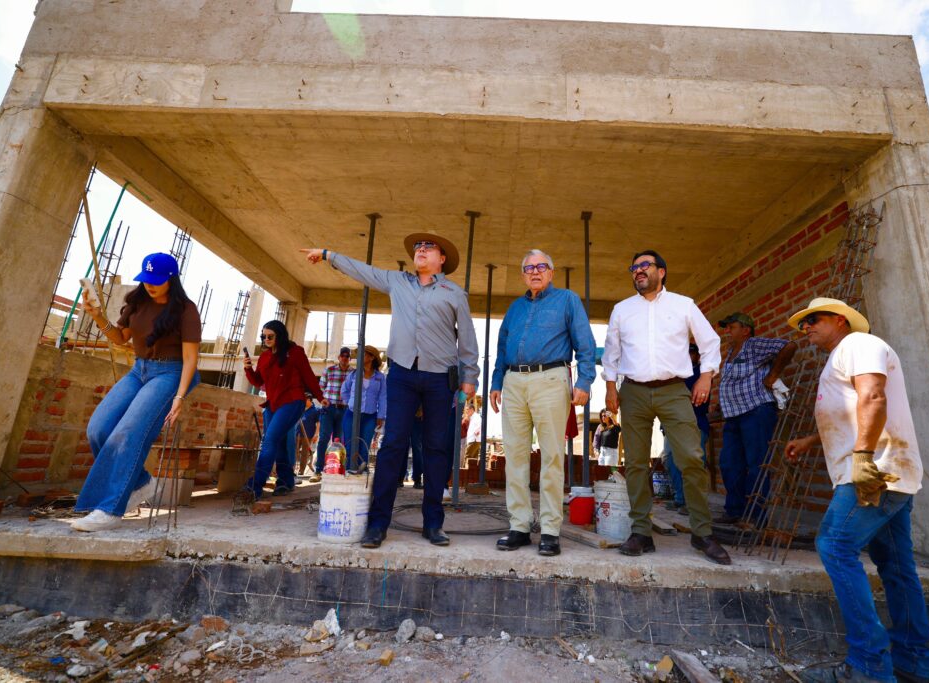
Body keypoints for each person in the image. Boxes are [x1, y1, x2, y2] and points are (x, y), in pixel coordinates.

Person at [784, 299, 929, 683]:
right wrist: (809, 441)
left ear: (840, 320)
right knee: (898, 568)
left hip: (873, 473)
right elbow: (852, 409)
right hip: (890, 473)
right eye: (803, 324)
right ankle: (913, 662)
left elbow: (873, 396)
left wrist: (864, 457)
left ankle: (868, 666)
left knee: (834, 546)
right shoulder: (844, 355)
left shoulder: (857, 345)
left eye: (813, 320)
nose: (806, 329)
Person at [301, 232, 479, 548]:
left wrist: (469, 380)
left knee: (437, 448)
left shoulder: (455, 293)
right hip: (402, 375)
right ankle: (378, 524)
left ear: (442, 260)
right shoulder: (397, 282)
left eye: (428, 247)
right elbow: (363, 270)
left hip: (440, 379)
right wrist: (329, 254)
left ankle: (433, 524)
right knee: (393, 445)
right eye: (417, 247)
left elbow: (467, 340)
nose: (420, 250)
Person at [602, 249, 730, 564]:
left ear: (662, 271)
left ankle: (702, 533)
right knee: (634, 463)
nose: (638, 271)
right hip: (633, 391)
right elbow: (611, 352)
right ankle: (641, 533)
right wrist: (609, 388)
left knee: (691, 458)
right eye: (634, 268)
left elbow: (710, 342)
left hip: (674, 390)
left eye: (645, 265)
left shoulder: (683, 305)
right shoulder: (622, 310)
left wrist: (706, 378)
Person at [71, 253, 201, 532]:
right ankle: (141, 483)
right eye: (147, 279)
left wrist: (179, 397)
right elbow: (120, 339)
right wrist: (97, 316)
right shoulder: (138, 302)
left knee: (127, 433)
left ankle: (109, 509)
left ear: (171, 279)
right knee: (99, 429)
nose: (150, 285)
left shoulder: (185, 309)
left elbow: (191, 359)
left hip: (170, 373)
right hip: (138, 370)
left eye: (157, 280)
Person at [490, 249, 596, 557]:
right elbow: (501, 347)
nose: (535, 271)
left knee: (551, 457)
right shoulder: (515, 307)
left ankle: (550, 530)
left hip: (550, 379)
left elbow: (585, 343)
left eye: (541, 266)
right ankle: (520, 526)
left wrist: (584, 381)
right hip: (513, 382)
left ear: (551, 272)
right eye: (529, 268)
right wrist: (497, 382)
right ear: (523, 275)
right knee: (515, 456)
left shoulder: (567, 300)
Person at [715, 312, 797, 524]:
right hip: (734, 415)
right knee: (729, 463)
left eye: (731, 327)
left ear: (745, 329)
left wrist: (773, 375)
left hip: (756, 411)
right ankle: (734, 510)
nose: (727, 332)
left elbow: (789, 346)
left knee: (757, 464)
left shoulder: (753, 344)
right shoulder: (732, 351)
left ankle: (755, 516)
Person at [242, 320, 323, 499]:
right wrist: (248, 369)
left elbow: (308, 375)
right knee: (276, 441)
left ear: (280, 335)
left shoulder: (295, 352)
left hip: (293, 401)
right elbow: (257, 381)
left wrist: (321, 397)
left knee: (269, 440)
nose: (266, 339)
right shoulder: (264, 357)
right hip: (272, 403)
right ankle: (286, 481)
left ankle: (254, 485)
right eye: (263, 336)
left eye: (270, 336)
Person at [663, 344, 713, 515]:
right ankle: (680, 499)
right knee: (670, 460)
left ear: (697, 356)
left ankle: (695, 503)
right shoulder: (676, 374)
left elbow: (688, 398)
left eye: (692, 352)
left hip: (695, 424)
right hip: (672, 425)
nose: (688, 355)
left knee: (694, 463)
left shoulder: (700, 374)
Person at [340, 345, 387, 473]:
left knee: (364, 445)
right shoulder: (353, 374)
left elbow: (383, 397)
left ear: (371, 357)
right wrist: (349, 403)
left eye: (364, 354)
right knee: (350, 443)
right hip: (351, 414)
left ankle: (362, 471)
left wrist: (381, 416)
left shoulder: (380, 377)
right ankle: (350, 470)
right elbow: (344, 390)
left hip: (370, 415)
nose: (360, 357)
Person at [310, 346, 352, 483]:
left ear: (349, 358)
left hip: (344, 409)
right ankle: (318, 470)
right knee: (323, 438)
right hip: (329, 409)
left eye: (347, 356)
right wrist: (323, 400)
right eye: (342, 356)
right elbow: (320, 388)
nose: (344, 358)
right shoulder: (329, 370)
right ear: (339, 357)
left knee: (339, 441)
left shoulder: (354, 373)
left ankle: (337, 469)